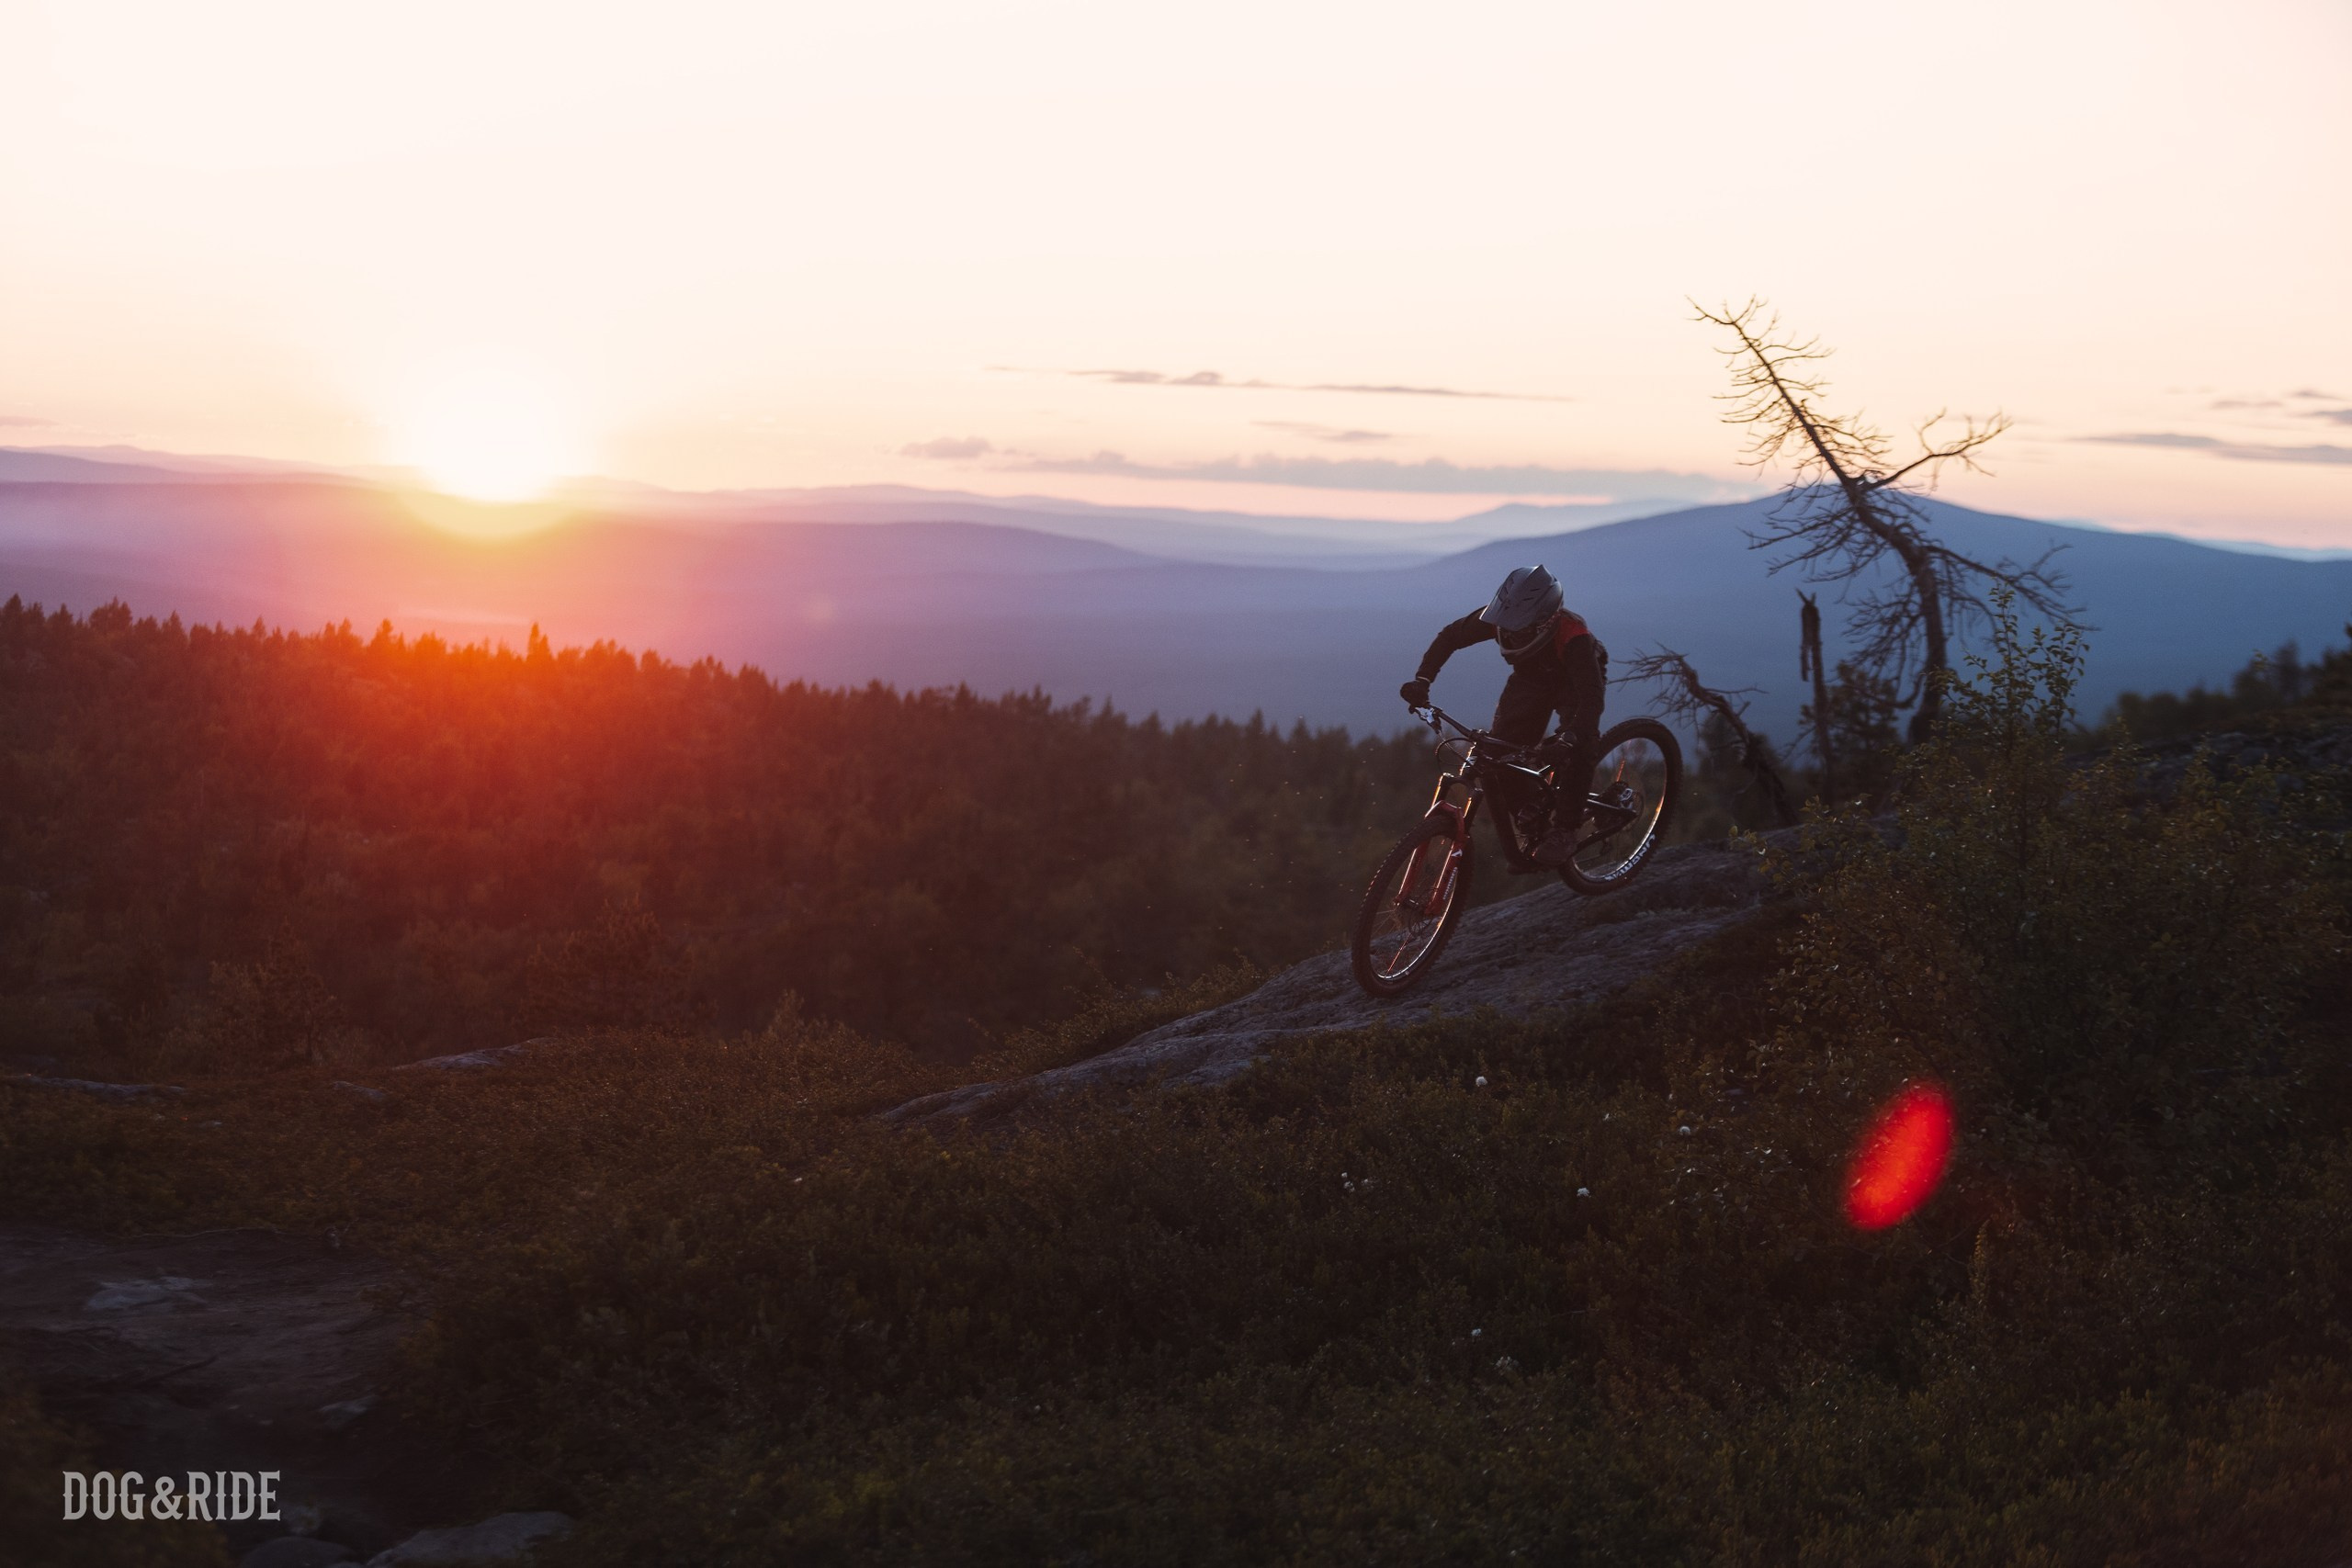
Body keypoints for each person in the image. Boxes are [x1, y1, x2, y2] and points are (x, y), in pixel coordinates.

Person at [1398, 565, 1604, 866]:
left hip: (1575, 681)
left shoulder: (1574, 637)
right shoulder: (1501, 618)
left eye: (1518, 627)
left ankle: (1565, 830)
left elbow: (1591, 700)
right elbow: (1451, 636)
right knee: (1497, 754)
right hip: (1530, 679)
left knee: (1577, 748)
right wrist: (1423, 680)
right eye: (1505, 624)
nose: (1508, 632)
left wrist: (1571, 737)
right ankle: (1532, 817)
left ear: (1543, 621)